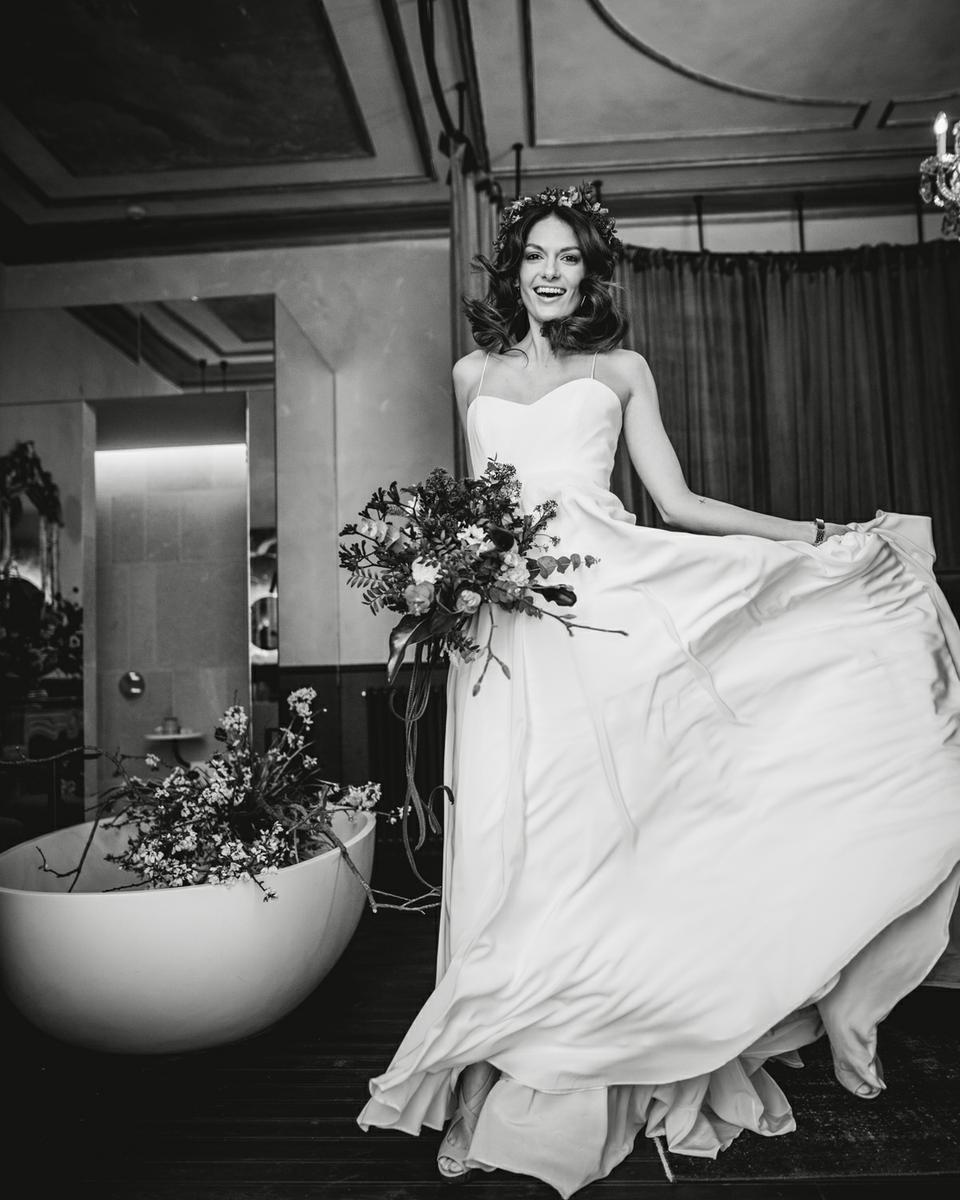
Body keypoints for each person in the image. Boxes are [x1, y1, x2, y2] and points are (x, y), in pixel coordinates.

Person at [357, 185, 960, 1196]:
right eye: (535, 256)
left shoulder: (622, 370)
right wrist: (443, 568)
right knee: (504, 837)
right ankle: (481, 1073)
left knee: (594, 839)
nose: (551, 273)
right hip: (500, 639)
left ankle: (586, 1046)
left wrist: (813, 537)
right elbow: (478, 511)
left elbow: (675, 503)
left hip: (603, 614)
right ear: (513, 271)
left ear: (590, 273)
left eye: (569, 258)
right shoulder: (470, 375)